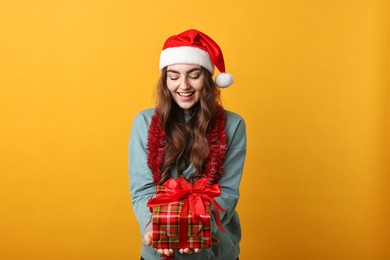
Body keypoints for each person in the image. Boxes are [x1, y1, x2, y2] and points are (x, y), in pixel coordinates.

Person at [129, 29, 246, 260]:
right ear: (165, 81)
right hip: (159, 248)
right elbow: (143, 189)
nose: (183, 85)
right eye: (174, 76)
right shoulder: (144, 122)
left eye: (194, 75)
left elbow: (227, 192)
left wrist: (197, 230)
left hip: (215, 251)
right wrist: (153, 228)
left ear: (208, 78)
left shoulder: (233, 124)